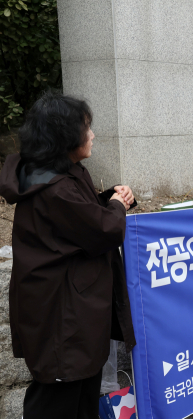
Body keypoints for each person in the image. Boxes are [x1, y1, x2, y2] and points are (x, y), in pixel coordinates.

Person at [0, 92, 137, 419]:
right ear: (64, 136)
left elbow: (81, 217)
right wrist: (117, 206)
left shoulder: (55, 172)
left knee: (81, 399)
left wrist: (110, 199)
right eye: (86, 128)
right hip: (62, 320)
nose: (92, 135)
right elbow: (103, 230)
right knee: (57, 403)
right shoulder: (56, 187)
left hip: (69, 312)